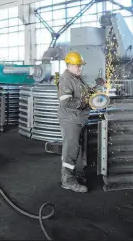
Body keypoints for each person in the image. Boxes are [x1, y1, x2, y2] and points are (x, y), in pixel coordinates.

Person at [57, 50, 92, 193]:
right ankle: (68, 181)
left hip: (79, 119)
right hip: (70, 120)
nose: (80, 68)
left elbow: (84, 93)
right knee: (70, 150)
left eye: (80, 65)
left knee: (76, 149)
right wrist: (83, 102)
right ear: (69, 65)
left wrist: (93, 92)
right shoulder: (66, 79)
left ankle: (73, 175)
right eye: (77, 65)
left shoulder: (77, 78)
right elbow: (66, 102)